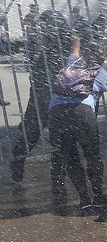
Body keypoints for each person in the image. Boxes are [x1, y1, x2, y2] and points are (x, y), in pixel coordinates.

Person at [48, 15, 107, 217]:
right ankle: (99, 197)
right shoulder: (102, 73)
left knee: (71, 156)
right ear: (101, 59)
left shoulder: (72, 63)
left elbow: (75, 47)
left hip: (57, 113)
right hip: (82, 114)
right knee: (92, 156)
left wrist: (77, 34)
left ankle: (84, 200)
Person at [8, 10, 68, 186]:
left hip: (46, 101)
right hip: (50, 101)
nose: (40, 31)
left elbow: (39, 77)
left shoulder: (53, 49)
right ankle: (57, 176)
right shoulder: (57, 46)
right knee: (55, 139)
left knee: (34, 137)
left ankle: (19, 170)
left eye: (44, 28)